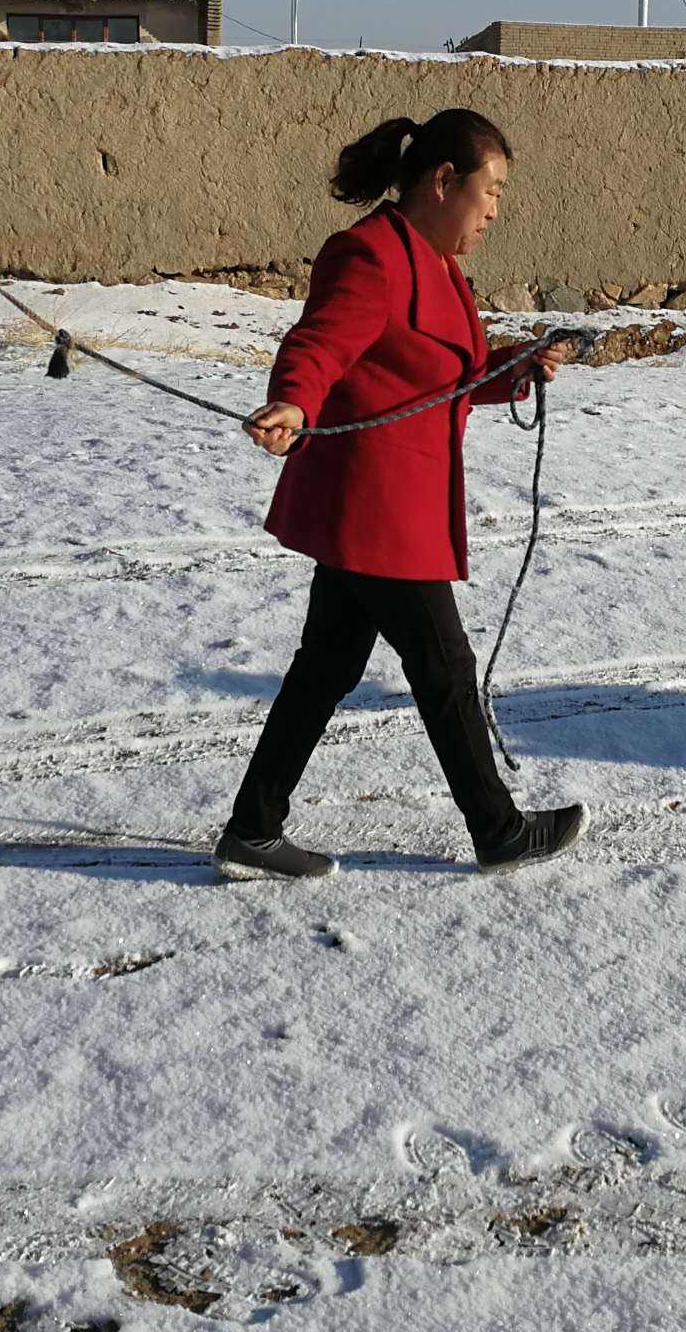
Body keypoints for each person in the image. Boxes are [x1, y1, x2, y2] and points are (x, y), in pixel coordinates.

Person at [220, 109, 587, 881]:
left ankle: (252, 829)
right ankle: (497, 829)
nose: (494, 211)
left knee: (324, 669)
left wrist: (517, 364)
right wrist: (292, 400)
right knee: (444, 668)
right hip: (376, 508)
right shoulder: (369, 257)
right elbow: (318, 343)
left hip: (394, 506)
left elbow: (442, 374)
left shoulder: (440, 267)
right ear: (442, 180)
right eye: (489, 192)